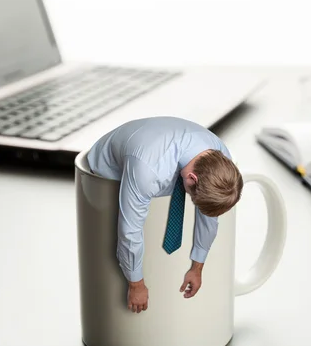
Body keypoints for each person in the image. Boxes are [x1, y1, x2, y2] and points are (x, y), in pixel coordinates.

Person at [86, 116, 243, 314]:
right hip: (108, 171)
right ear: (192, 178)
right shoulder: (148, 169)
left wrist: (197, 268)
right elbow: (130, 230)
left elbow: (209, 219)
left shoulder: (221, 158)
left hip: (154, 164)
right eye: (195, 201)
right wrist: (136, 284)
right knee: (117, 239)